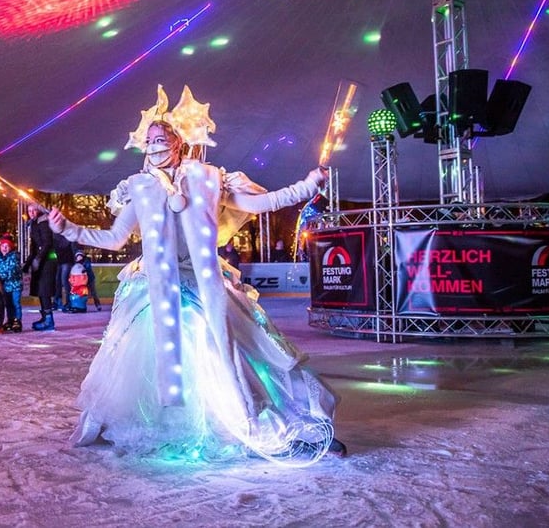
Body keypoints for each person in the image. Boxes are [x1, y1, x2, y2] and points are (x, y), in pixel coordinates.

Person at [48, 84, 345, 464]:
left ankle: (276, 420)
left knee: (246, 348)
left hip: (206, 283)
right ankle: (177, 425)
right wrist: (67, 229)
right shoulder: (137, 188)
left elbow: (264, 202)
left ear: (178, 142)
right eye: (149, 140)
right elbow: (113, 237)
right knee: (164, 358)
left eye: (161, 138)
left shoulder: (209, 178)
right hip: (157, 287)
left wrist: (308, 185)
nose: (154, 146)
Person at [23, 202, 58, 331]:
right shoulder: (34, 224)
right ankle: (45, 317)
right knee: (40, 290)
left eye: (33, 210)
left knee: (44, 290)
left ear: (39, 211)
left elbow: (47, 243)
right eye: (29, 210)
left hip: (48, 261)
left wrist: (38, 259)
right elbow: (33, 247)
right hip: (40, 261)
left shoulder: (43, 223)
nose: (31, 213)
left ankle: (49, 320)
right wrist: (27, 264)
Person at [0, 233, 23, 332]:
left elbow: (12, 270)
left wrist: (1, 276)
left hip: (15, 285)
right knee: (8, 304)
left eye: (7, 246)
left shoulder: (14, 257)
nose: (4, 248)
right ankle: (10, 320)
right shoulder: (0, 257)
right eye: (2, 246)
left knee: (15, 303)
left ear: (11, 247)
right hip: (6, 286)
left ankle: (17, 321)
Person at [53, 232, 75, 312]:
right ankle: (57, 301)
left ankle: (68, 302)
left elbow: (73, 248)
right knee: (57, 281)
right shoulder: (54, 236)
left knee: (64, 281)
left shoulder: (67, 235)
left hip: (67, 261)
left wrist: (76, 259)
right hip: (59, 261)